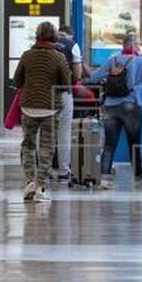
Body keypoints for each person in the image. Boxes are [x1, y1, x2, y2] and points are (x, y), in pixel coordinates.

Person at [89, 33, 142, 190]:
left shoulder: (112, 60)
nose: (140, 47)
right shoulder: (140, 62)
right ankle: (138, 177)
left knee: (109, 144)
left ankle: (104, 178)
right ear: (133, 45)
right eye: (139, 44)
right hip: (130, 106)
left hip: (110, 106)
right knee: (134, 144)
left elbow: (94, 77)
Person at [13, 22, 72, 203]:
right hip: (50, 108)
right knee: (47, 147)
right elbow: (66, 83)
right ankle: (41, 187)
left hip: (28, 106)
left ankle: (30, 182)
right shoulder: (59, 57)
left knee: (28, 145)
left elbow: (17, 81)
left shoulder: (27, 55)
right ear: (54, 36)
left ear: (37, 35)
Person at [55, 25, 83, 183]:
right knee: (64, 132)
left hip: (43, 94)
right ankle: (63, 171)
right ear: (70, 35)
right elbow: (78, 74)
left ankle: (44, 171)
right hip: (63, 92)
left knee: (44, 132)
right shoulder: (72, 45)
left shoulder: (42, 45)